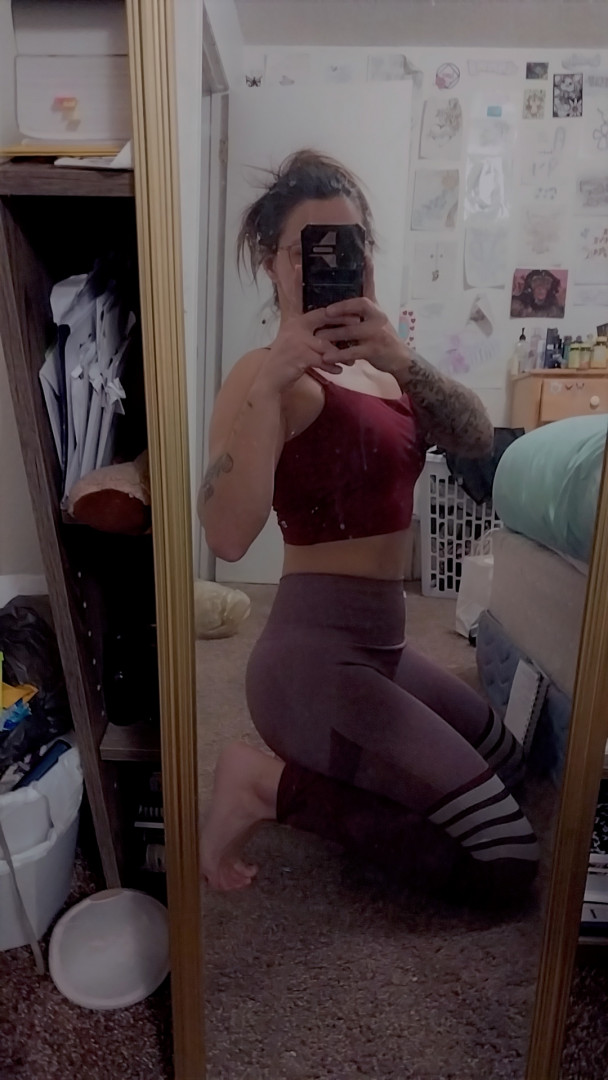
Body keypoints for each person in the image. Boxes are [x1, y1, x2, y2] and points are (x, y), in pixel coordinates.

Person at [199, 149, 539, 903]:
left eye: (346, 246)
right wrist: (273, 380)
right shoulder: (262, 375)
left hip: (385, 649)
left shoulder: (387, 369)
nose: (329, 264)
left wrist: (401, 356)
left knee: (510, 765)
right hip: (309, 664)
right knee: (505, 856)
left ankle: (348, 764)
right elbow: (225, 535)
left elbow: (476, 438)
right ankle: (260, 785)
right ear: (273, 264)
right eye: (307, 250)